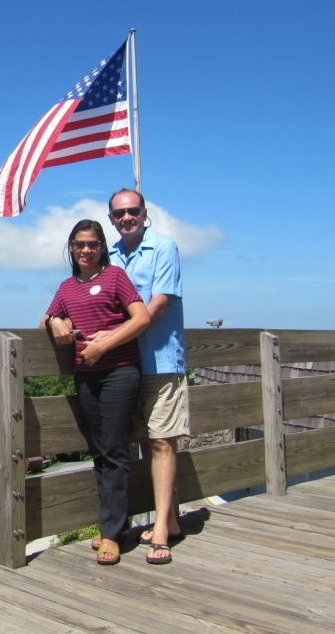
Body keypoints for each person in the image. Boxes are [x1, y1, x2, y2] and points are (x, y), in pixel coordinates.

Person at [40, 219, 150, 565]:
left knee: (114, 450)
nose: (86, 250)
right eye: (79, 244)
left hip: (119, 373)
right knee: (99, 451)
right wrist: (55, 321)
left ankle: (112, 534)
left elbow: (141, 318)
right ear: (70, 248)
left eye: (92, 244)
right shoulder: (66, 287)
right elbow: (45, 318)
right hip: (85, 377)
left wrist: (104, 347)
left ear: (102, 247)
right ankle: (111, 525)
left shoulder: (115, 277)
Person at [107, 188, 189, 565]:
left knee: (160, 443)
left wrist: (107, 338)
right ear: (111, 218)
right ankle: (169, 520)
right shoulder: (107, 255)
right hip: (125, 364)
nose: (127, 218)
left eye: (133, 211)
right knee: (142, 440)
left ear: (145, 212)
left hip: (159, 361)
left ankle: (160, 528)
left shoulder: (164, 248)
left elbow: (157, 305)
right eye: (120, 213)